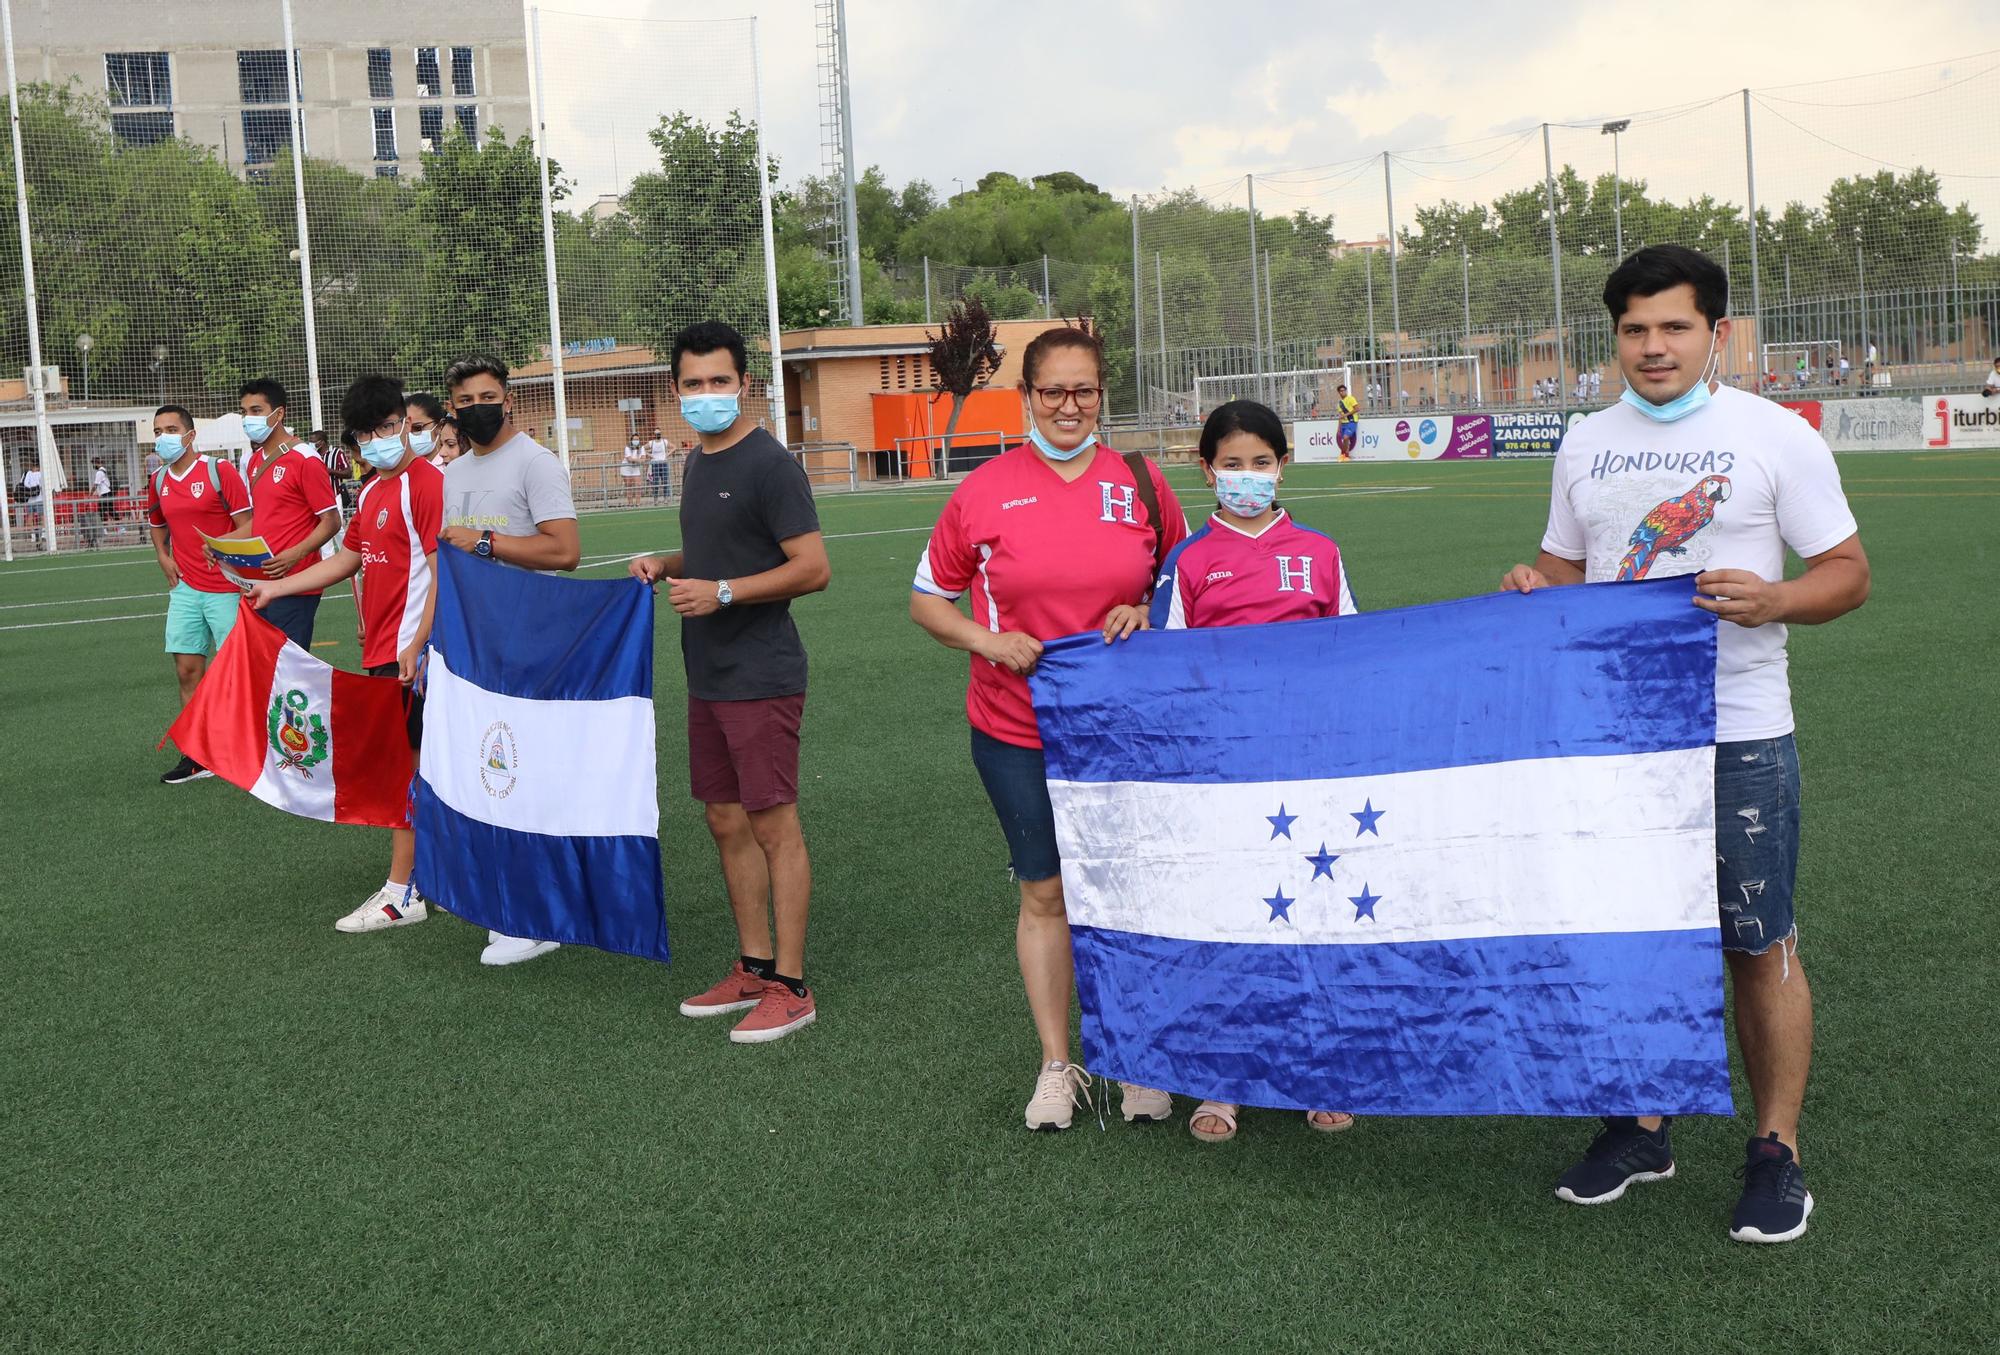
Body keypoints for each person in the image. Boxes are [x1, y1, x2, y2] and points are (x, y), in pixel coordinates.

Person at [1501, 244, 1869, 1244]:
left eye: (1671, 326)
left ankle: (1774, 1147)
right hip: (1614, 739)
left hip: (1736, 731)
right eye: (1632, 328)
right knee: (1627, 931)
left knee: (1755, 943)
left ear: (1715, 330)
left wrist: (1775, 597)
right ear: (1611, 336)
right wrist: (1533, 587)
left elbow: (1844, 570)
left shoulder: (1770, 435)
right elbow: (1562, 567)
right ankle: (1641, 1123)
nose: (1651, 346)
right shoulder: (1584, 440)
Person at [909, 323, 1189, 1131]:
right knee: (1046, 892)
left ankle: (1138, 1057)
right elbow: (928, 599)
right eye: (1053, 391)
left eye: (1085, 390)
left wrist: (1147, 607)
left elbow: (1181, 582)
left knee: (1131, 888)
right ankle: (1057, 1065)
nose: (1070, 406)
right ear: (1026, 397)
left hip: (1127, 730)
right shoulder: (985, 488)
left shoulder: (1139, 478)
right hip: (1015, 727)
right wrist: (986, 639)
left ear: (1102, 393)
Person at [1110, 398, 1358, 1144]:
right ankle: (1226, 1075)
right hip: (1222, 773)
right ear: (1206, 469)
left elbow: (1356, 654)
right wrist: (1134, 622)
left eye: (1260, 462)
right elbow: (1164, 669)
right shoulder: (1187, 561)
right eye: (1231, 464)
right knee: (1231, 912)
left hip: (1305, 769)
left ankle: (1319, 1065)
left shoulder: (1320, 552)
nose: (1246, 477)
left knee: (1310, 913)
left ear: (1283, 464)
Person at [629, 322, 831, 1044]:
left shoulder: (770, 464)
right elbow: (718, 550)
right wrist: (668, 560)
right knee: (723, 819)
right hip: (708, 673)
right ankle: (751, 964)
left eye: (720, 381)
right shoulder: (697, 461)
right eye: (693, 383)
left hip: (762, 673)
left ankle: (791, 984)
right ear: (676, 389)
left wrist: (718, 593)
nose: (707, 394)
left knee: (774, 824)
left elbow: (811, 566)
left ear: (744, 383)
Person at [247, 376, 443, 936]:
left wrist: (420, 642)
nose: (381, 439)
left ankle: (404, 890)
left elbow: (444, 575)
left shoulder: (423, 485)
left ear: (405, 421)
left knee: (404, 771)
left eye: (388, 426)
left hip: (412, 656)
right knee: (413, 766)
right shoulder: (374, 490)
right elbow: (347, 559)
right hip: (387, 652)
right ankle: (432, 878)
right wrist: (276, 589)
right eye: (368, 433)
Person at [439, 353, 582, 966]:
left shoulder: (536, 463)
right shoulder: (454, 473)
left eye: (487, 395)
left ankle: (540, 915)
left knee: (529, 776)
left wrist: (488, 541)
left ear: (510, 399)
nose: (478, 407)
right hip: (481, 642)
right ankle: (512, 900)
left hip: (532, 639)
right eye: (465, 400)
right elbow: (454, 561)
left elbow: (566, 551)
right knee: (493, 774)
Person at [148, 404, 254, 786]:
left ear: (190, 435)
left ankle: (240, 748)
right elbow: (157, 523)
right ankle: (196, 754)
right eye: (158, 430)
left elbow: (250, 523)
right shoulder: (158, 479)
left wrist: (221, 543)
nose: (163, 437)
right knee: (186, 670)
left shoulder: (218, 471)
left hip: (227, 588)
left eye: (171, 429)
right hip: (186, 589)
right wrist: (163, 556)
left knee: (232, 674)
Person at [237, 379, 340, 648]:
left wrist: (296, 553)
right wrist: (221, 543)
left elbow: (331, 521)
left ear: (279, 413)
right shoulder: (254, 461)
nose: (249, 419)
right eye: (244, 412)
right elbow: (261, 519)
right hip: (260, 582)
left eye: (256, 411)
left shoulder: (304, 458)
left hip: (297, 583)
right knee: (264, 671)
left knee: (288, 673)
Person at [619, 434, 646, 506]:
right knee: (629, 485)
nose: (636, 441)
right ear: (631, 440)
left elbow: (644, 458)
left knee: (638, 484)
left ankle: (638, 503)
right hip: (627, 468)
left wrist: (637, 460)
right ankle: (630, 503)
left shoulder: (641, 447)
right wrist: (638, 460)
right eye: (634, 439)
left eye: (637, 439)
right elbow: (629, 459)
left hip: (636, 467)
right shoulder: (627, 447)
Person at [646, 426, 671, 500]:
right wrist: (649, 454)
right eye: (656, 433)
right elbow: (642, 448)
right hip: (655, 463)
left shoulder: (664, 441)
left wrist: (668, 454)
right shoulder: (651, 443)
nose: (658, 434)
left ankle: (665, 498)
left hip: (663, 462)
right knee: (655, 481)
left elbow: (674, 447)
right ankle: (655, 498)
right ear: (654, 434)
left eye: (659, 433)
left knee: (665, 480)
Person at [1336, 382, 1360, 459]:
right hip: (1343, 424)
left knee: (1346, 438)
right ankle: (1346, 455)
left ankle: (1344, 454)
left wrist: (1346, 415)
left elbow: (1357, 408)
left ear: (1346, 391)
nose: (1342, 392)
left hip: (1351, 422)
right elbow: (1340, 416)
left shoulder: (1351, 398)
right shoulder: (1339, 403)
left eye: (1343, 390)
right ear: (1339, 392)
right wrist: (1338, 428)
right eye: (1340, 391)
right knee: (1345, 440)